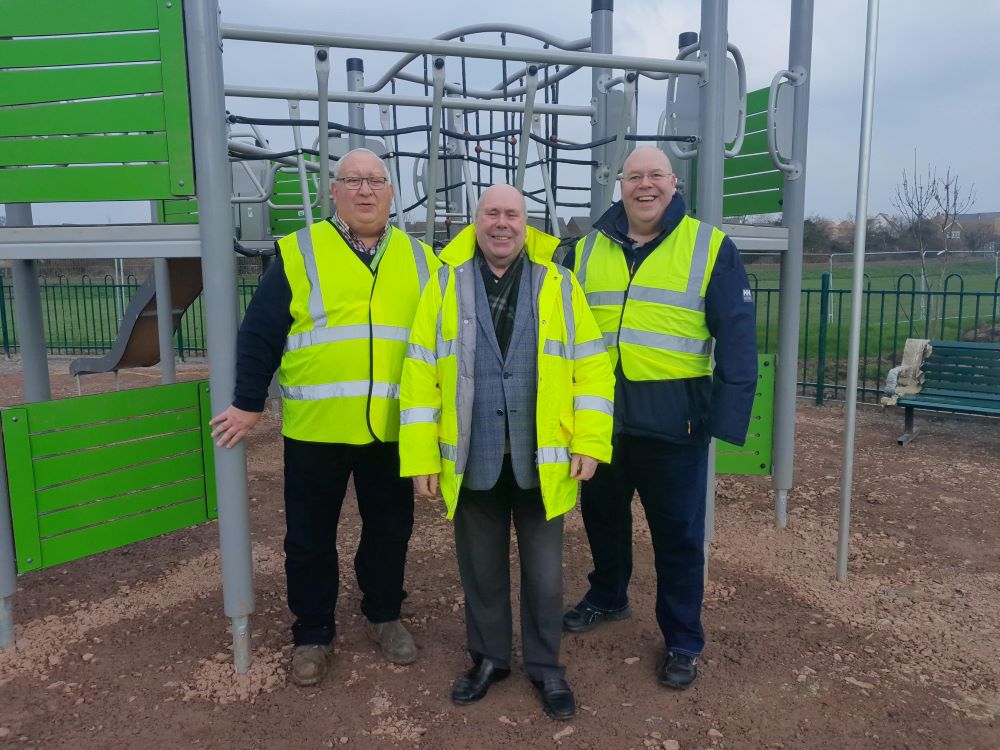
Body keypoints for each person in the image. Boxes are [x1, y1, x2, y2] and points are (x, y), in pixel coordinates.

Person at [209, 148, 441, 687]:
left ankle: (384, 615)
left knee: (390, 531)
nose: (365, 190)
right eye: (352, 181)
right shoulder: (300, 252)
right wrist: (249, 401)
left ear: (390, 192)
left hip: (392, 429)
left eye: (375, 181)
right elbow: (261, 334)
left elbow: (444, 342)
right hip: (316, 431)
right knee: (309, 540)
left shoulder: (423, 260)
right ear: (332, 192)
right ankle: (312, 633)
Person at [398, 185, 615, 720]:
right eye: (491, 213)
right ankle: (489, 660)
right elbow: (420, 373)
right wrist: (423, 455)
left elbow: (591, 368)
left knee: (544, 577)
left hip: (542, 461)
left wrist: (589, 441)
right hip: (472, 458)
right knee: (481, 572)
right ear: (475, 222)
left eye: (511, 214)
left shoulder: (560, 286)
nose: (501, 224)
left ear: (526, 222)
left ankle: (546, 669)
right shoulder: (444, 286)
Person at [562, 146, 758, 690]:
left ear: (673, 183)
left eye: (655, 176)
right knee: (602, 519)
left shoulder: (709, 246)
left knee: (677, 536)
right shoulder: (584, 249)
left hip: (676, 425)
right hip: (600, 421)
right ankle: (608, 596)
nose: (644, 185)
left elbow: (738, 338)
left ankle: (682, 639)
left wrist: (725, 418)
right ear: (619, 184)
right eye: (633, 177)